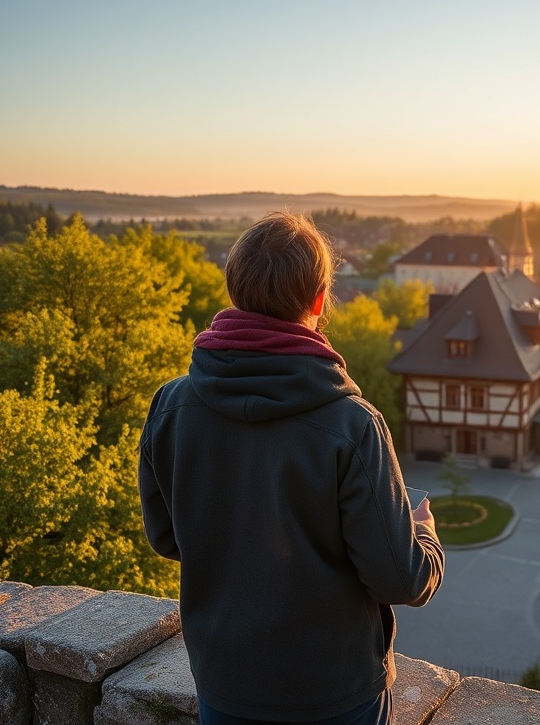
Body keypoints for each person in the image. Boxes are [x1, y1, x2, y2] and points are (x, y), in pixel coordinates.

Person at [138, 212, 445, 725]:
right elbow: (402, 581)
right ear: (320, 299)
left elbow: (167, 538)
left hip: (224, 685)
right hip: (336, 697)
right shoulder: (352, 424)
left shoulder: (171, 406)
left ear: (234, 289)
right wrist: (424, 534)